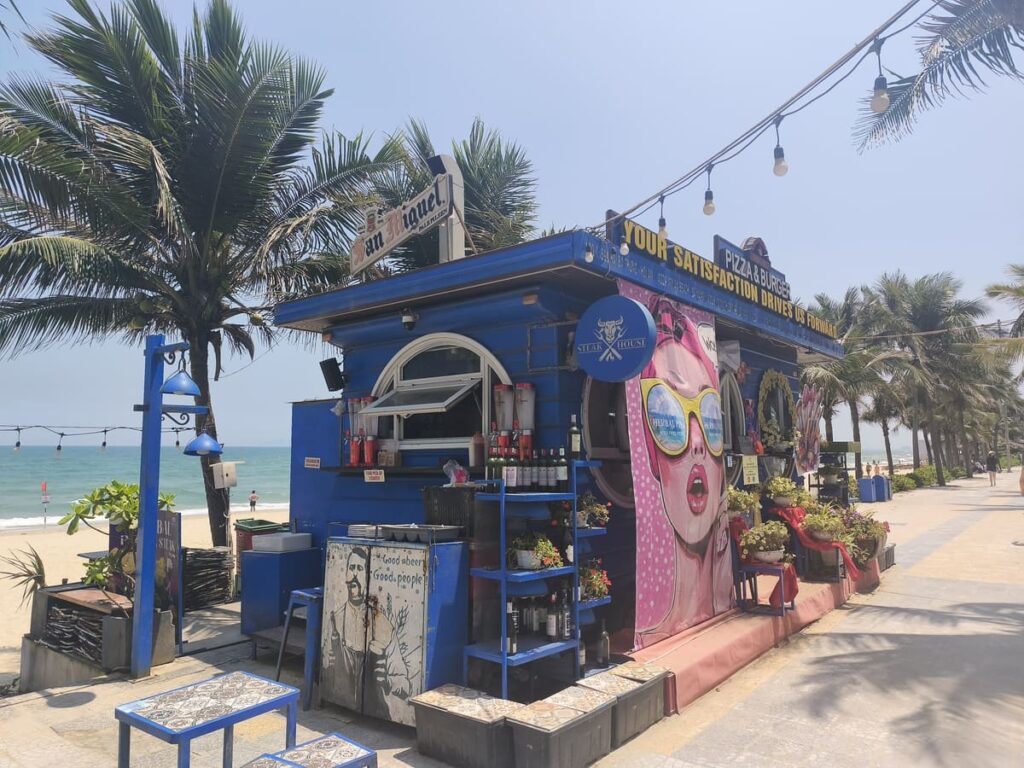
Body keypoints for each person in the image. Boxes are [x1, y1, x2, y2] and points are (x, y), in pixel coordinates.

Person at [636, 298, 732, 643]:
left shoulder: (728, 594)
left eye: (708, 413)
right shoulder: (647, 635)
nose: (697, 442)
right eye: (669, 413)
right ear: (652, 458)